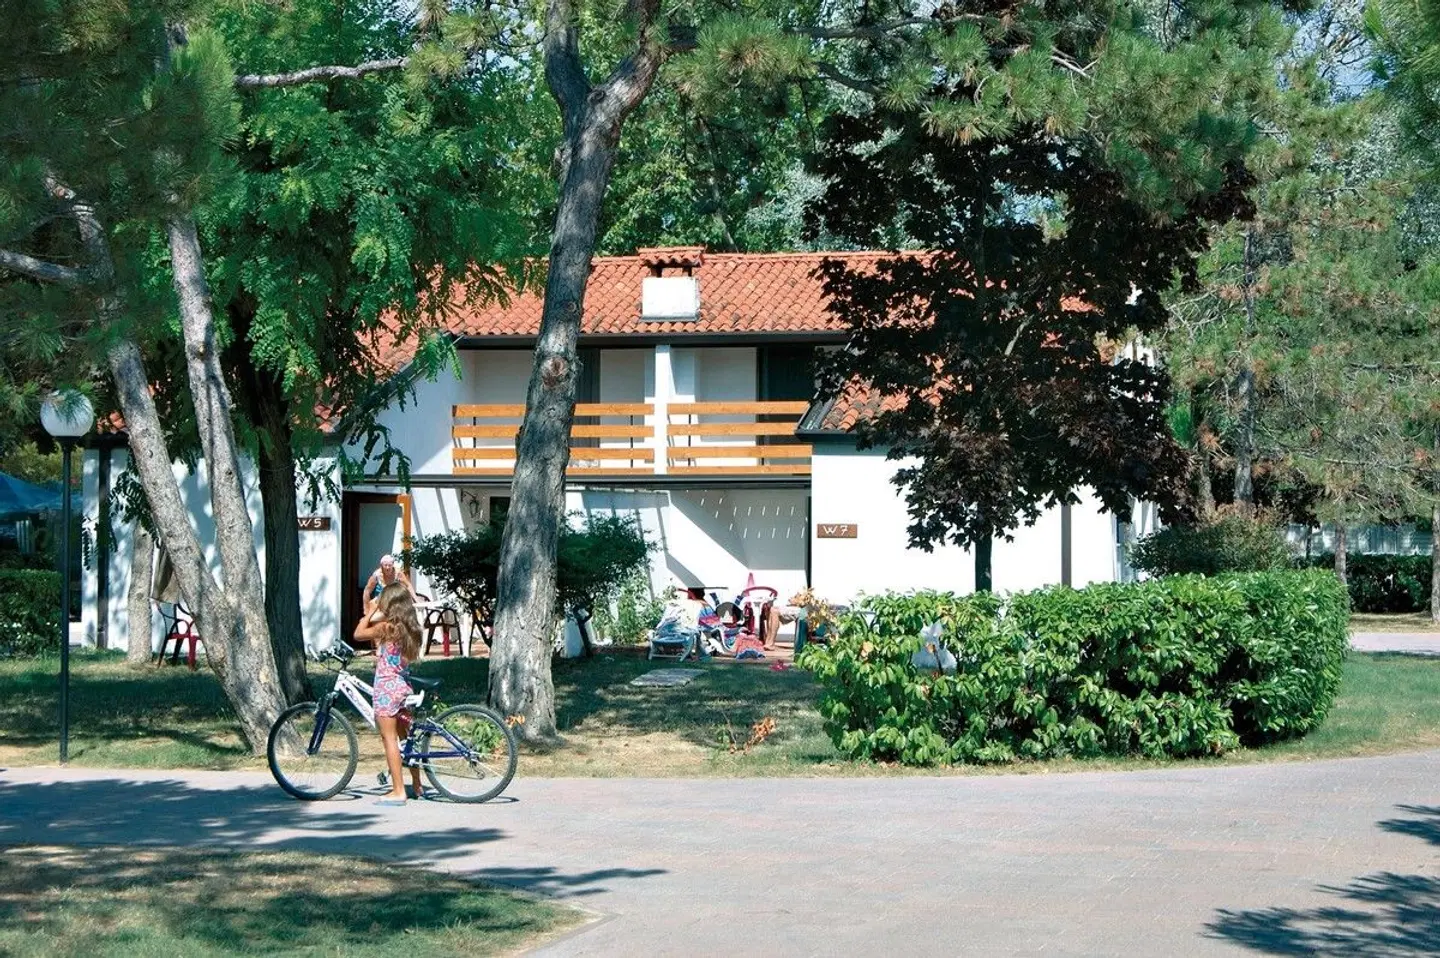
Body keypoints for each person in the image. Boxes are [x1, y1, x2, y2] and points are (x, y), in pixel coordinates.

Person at [354, 582, 424, 805]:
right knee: (405, 738)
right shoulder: (410, 629)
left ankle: (398, 791)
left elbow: (358, 633)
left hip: (387, 688)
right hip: (403, 685)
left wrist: (372, 610)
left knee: (389, 739)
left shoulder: (388, 628)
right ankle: (417, 784)